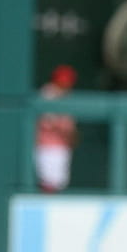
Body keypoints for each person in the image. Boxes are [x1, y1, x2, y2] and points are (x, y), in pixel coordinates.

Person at [35, 64, 79, 193]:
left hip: (62, 146)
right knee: (48, 182)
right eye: (61, 83)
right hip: (47, 146)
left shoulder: (68, 97)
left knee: (59, 183)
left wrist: (72, 135)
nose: (64, 86)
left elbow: (69, 127)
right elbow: (50, 123)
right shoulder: (47, 94)